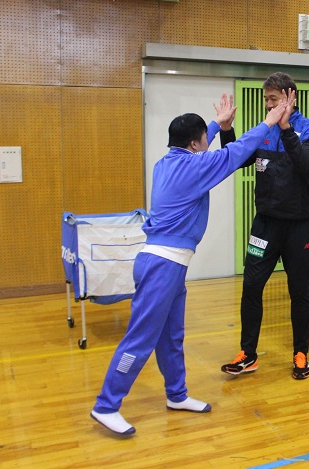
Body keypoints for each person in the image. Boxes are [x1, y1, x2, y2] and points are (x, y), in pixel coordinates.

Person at [90, 93, 288, 436]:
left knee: (171, 337)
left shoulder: (165, 164)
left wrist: (216, 125)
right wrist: (268, 123)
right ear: (195, 144)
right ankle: (106, 405)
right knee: (140, 339)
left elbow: (201, 146)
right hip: (162, 266)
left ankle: (177, 394)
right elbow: (237, 151)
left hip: (164, 263)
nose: (206, 143)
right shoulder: (196, 167)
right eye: (204, 139)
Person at [220, 72, 309, 380]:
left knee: (300, 292)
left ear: (290, 97)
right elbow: (237, 159)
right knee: (251, 286)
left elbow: (307, 164)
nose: (268, 104)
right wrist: (226, 131)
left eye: (273, 99)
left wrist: (286, 128)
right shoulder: (263, 130)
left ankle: (301, 353)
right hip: (265, 226)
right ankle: (248, 354)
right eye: (266, 99)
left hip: (299, 227)